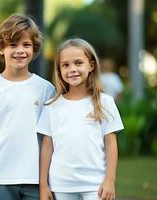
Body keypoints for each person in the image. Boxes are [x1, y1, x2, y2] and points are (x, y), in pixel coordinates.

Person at [0, 13, 55, 200]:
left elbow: (49, 141)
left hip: (36, 180)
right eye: (13, 45)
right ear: (1, 49)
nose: (20, 50)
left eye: (26, 45)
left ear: (34, 49)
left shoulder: (46, 89)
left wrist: (46, 184)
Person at [38, 38, 124, 200]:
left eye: (78, 63)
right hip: (61, 184)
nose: (72, 69)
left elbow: (111, 143)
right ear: (59, 70)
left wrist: (110, 180)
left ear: (91, 65)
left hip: (95, 184)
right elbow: (47, 147)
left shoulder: (104, 102)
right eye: (66, 65)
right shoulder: (51, 106)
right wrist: (44, 185)